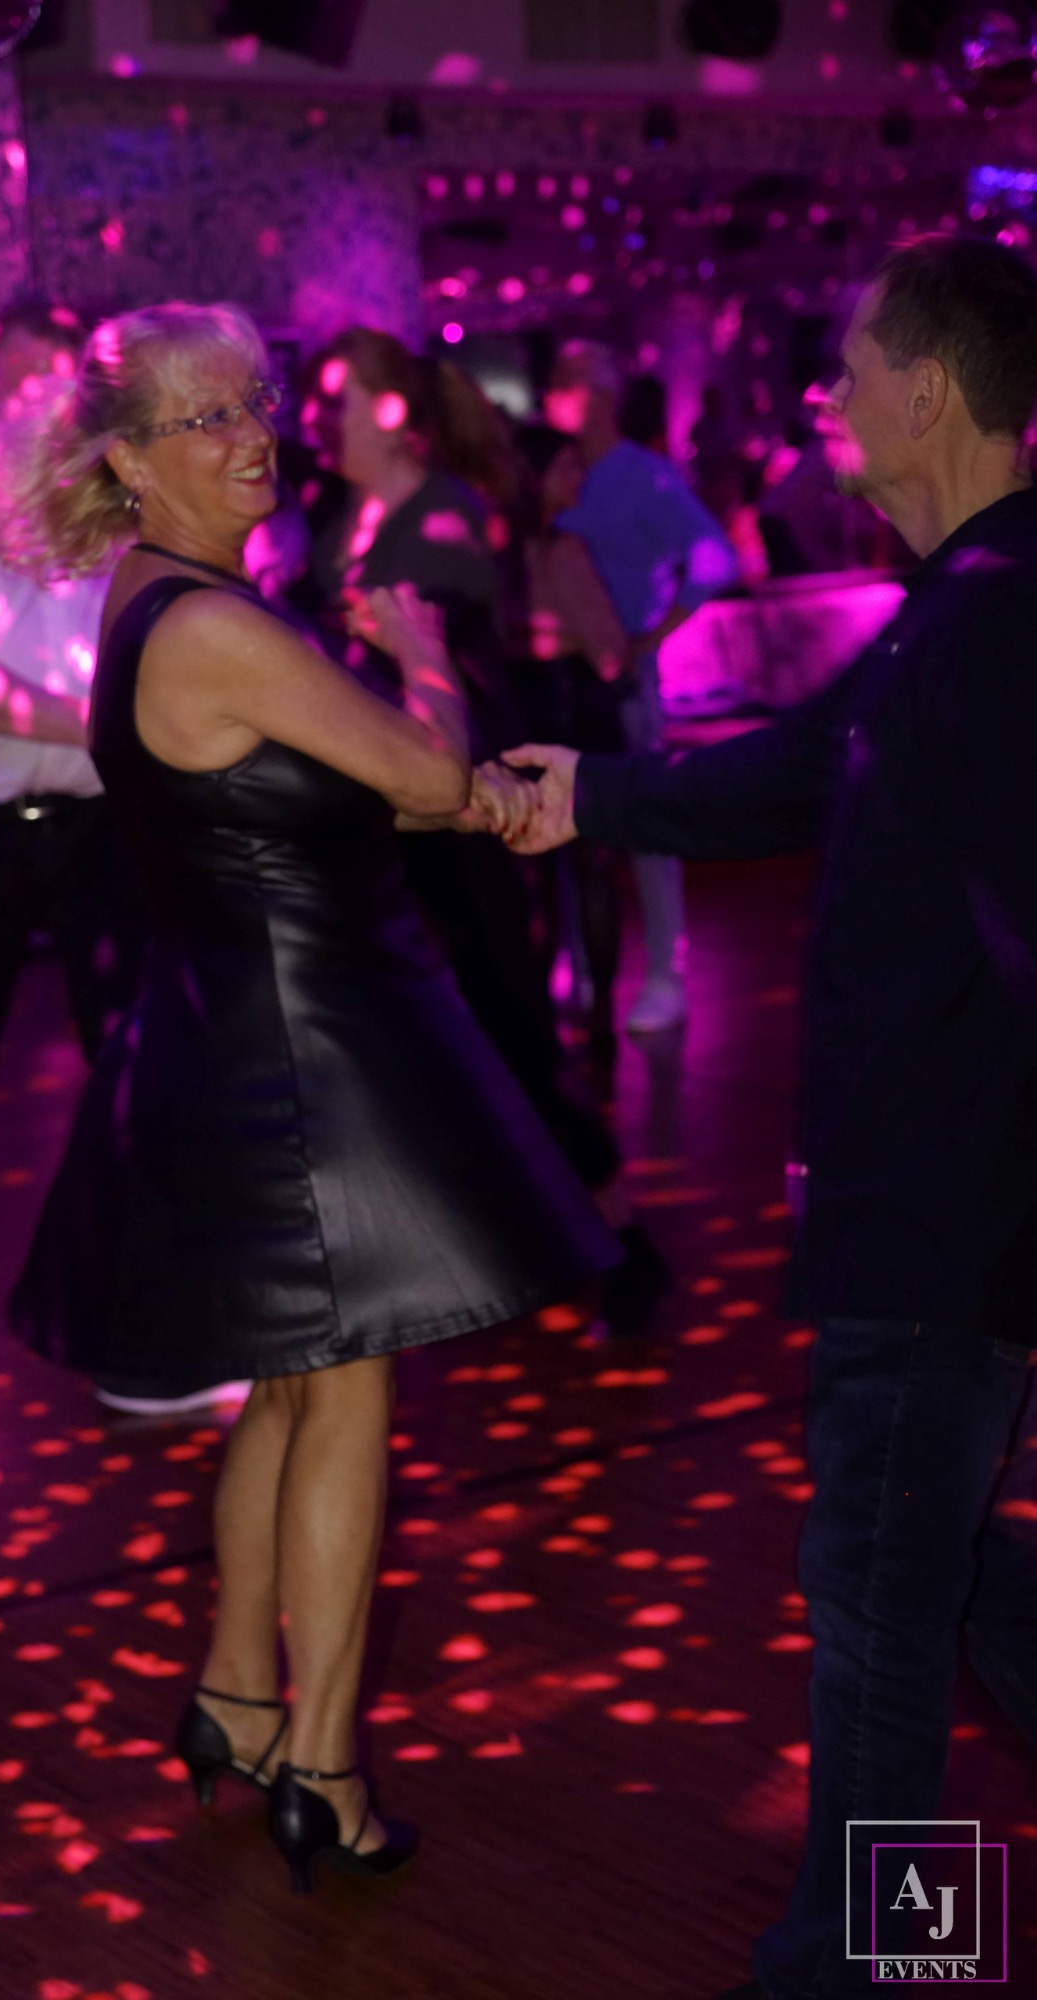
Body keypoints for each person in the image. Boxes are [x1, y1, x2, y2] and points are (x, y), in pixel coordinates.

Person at [0, 301, 622, 1891]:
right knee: (346, 1393)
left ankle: (237, 1696)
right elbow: (420, 779)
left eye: (253, 403)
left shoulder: (159, 598)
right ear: (129, 461)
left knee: (290, 1388)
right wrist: (427, 669)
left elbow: (358, 790)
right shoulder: (209, 625)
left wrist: (444, 758)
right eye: (206, 418)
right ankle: (323, 1765)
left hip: (251, 1036)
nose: (252, 436)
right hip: (307, 1052)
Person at [488, 235, 1037, 2000]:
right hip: (929, 1190)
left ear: (926, 396)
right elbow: (799, 768)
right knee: (919, 1566)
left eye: (848, 368)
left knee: (879, 1602)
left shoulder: (1000, 619)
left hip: (949, 1199)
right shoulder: (966, 602)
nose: (825, 397)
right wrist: (592, 795)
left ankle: (873, 1974)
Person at [0, 301, 238, 1417]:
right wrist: (100, 723)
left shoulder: (102, 485)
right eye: (22, 371)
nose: (39, 395)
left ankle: (149, 1323)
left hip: (98, 824)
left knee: (132, 1062)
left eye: (59, 378)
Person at [298, 329, 668, 1331]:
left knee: (507, 1025)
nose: (320, 417)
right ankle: (501, 1244)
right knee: (417, 1038)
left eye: (339, 397)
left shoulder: (445, 513)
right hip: (384, 818)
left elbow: (421, 660)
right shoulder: (337, 513)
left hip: (462, 812)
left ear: (392, 414)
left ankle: (624, 1241)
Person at [545, 339, 739, 1034]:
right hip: (566, 676)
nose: (553, 391)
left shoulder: (646, 477)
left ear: (600, 395)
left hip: (624, 678)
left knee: (645, 820)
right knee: (563, 815)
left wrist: (649, 639)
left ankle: (665, 972)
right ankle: (576, 961)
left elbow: (715, 559)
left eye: (568, 379)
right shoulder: (560, 473)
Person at [504, 422, 632, 1061]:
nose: (578, 478)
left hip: (516, 715)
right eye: (567, 467)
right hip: (575, 713)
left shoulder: (499, 549)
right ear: (538, 478)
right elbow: (607, 652)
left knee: (532, 876)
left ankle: (536, 1022)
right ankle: (601, 1014)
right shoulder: (564, 551)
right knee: (593, 868)